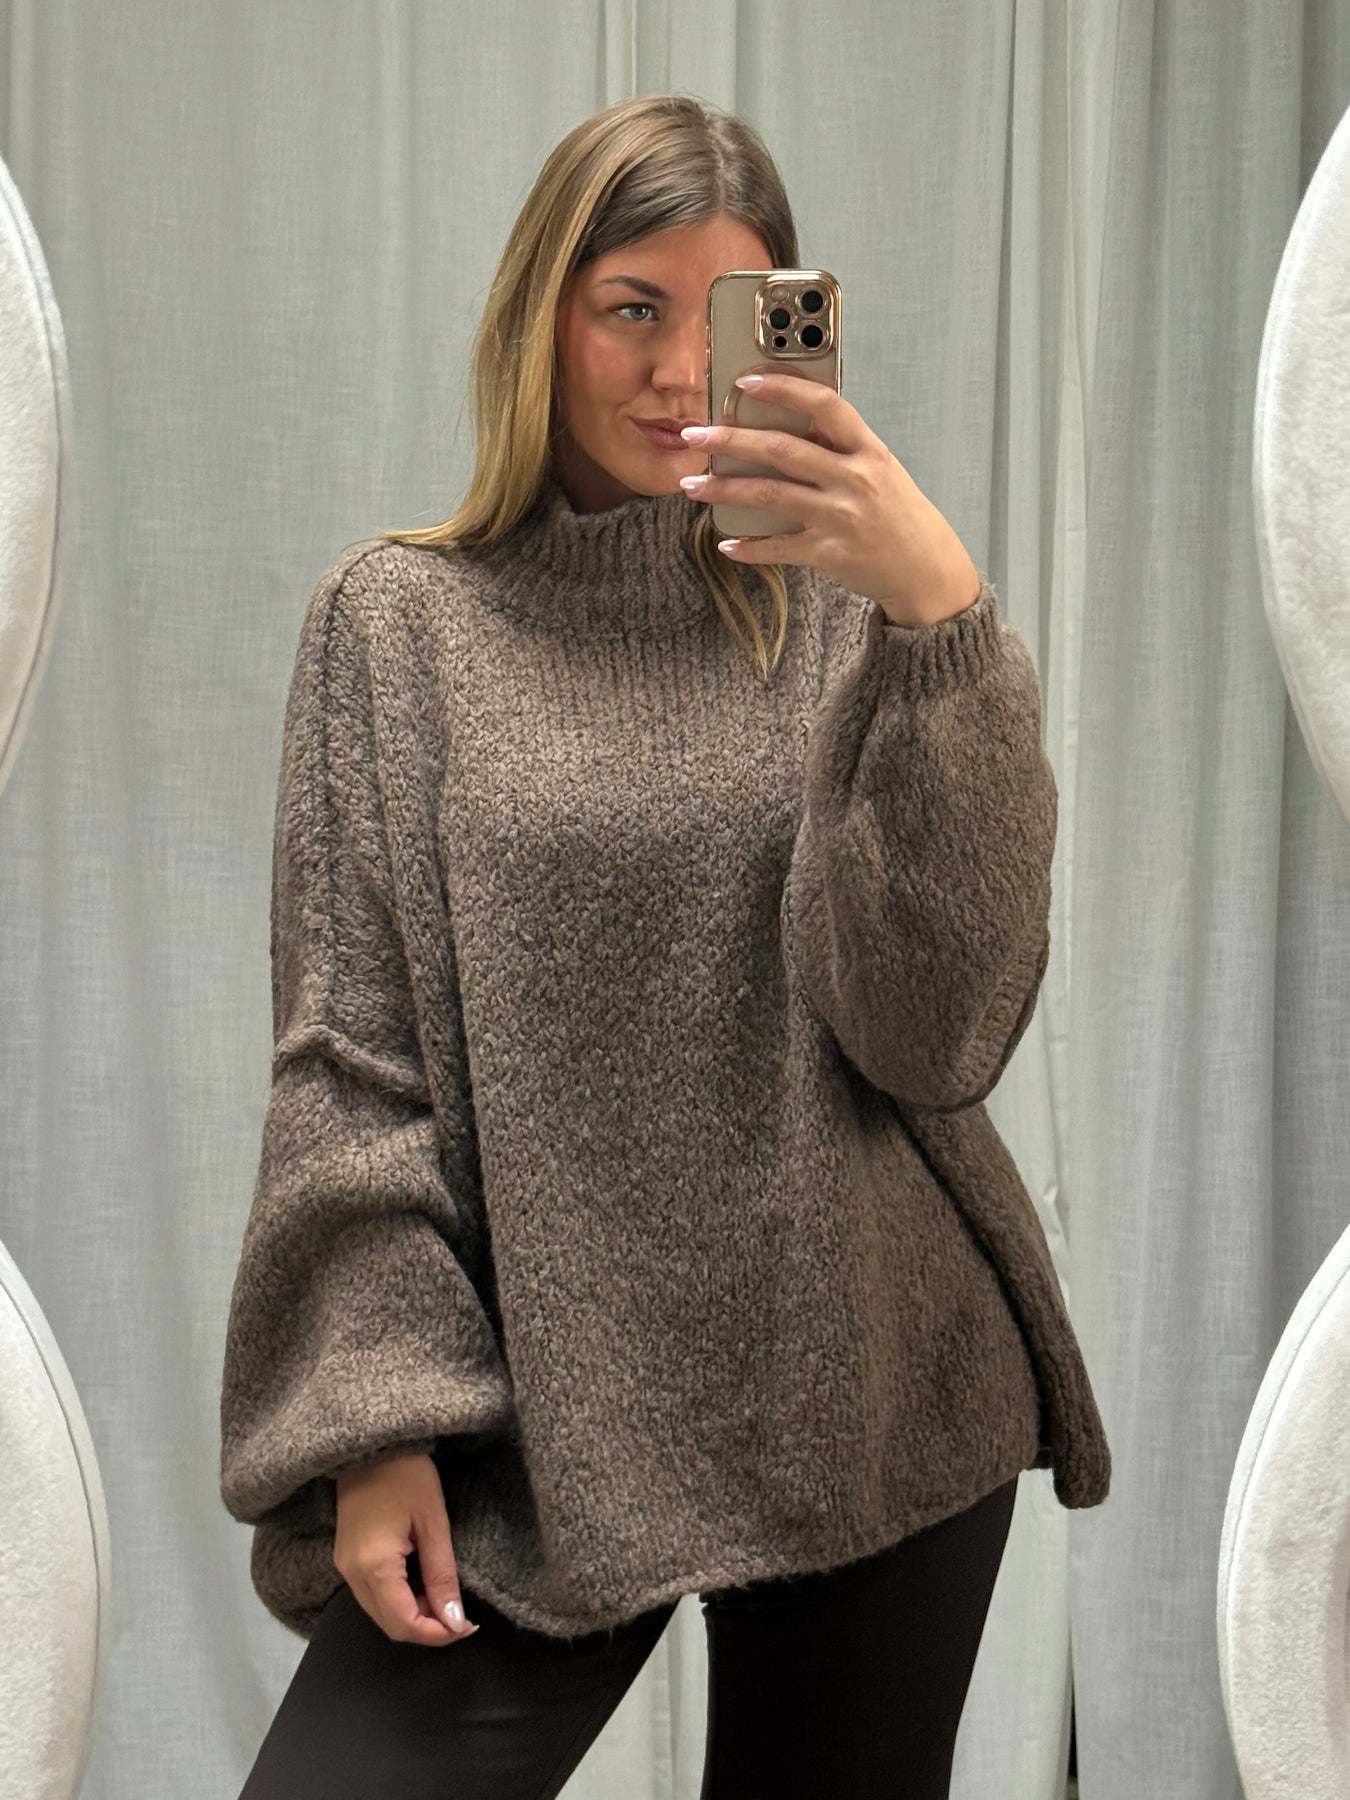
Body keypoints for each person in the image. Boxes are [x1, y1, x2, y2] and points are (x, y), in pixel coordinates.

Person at [220, 93, 1111, 1799]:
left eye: (724, 319)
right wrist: (380, 1415)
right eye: (631, 308)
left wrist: (940, 622)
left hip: (867, 1382)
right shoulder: (396, 629)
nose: (678, 373)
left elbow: (936, 1037)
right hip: (540, 1420)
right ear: (540, 312)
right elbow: (351, 1057)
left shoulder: (850, 612)